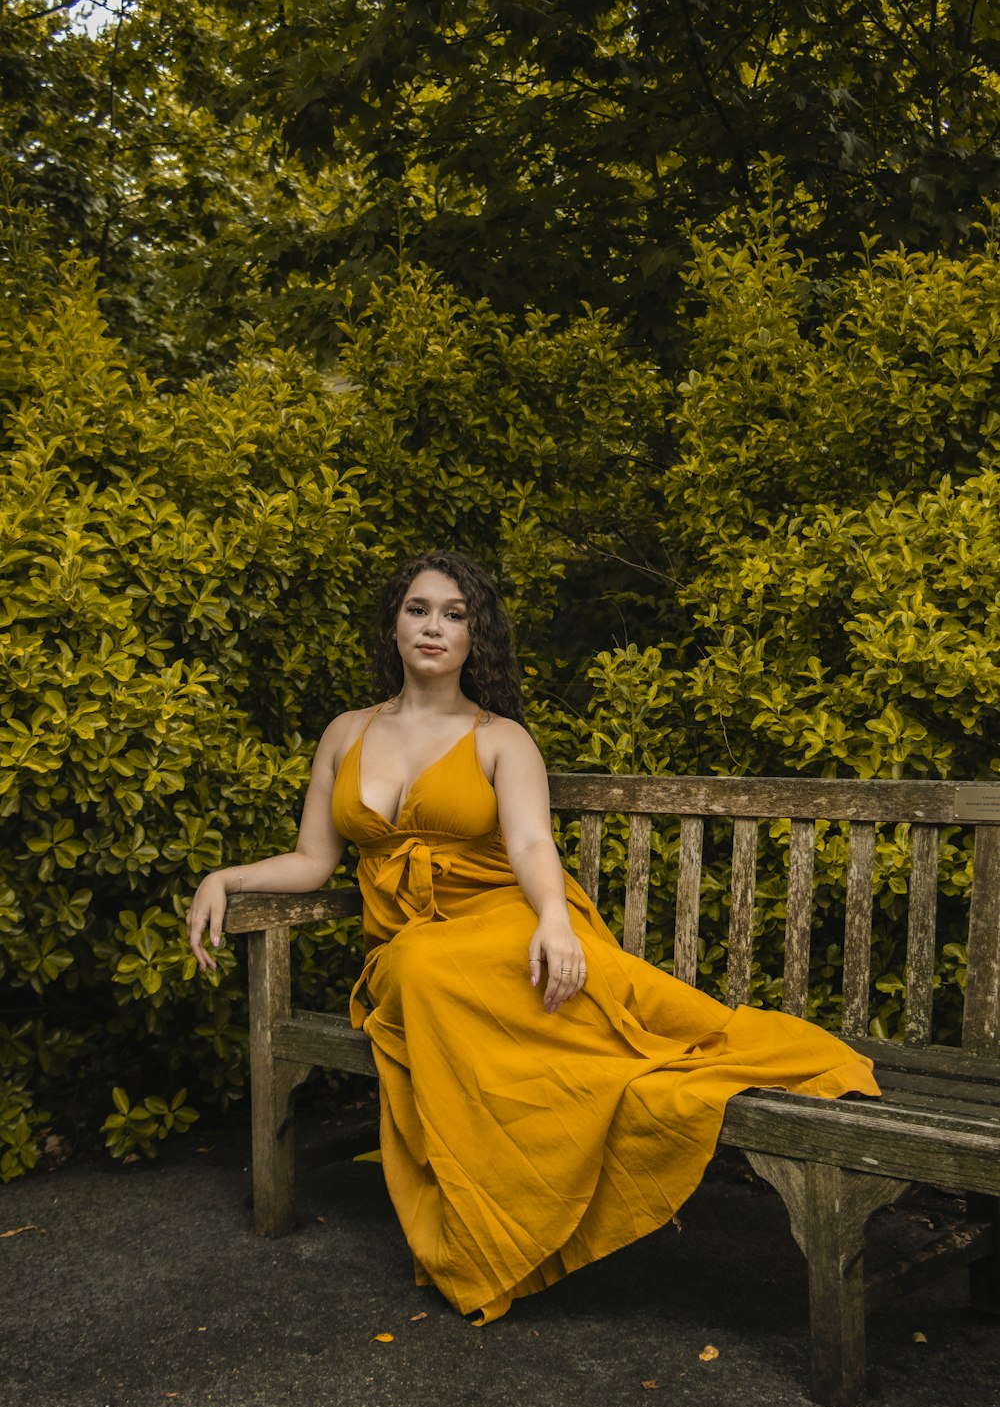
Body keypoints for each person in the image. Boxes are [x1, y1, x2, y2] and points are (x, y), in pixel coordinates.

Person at [187, 550, 880, 1324]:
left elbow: (528, 847)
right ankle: (499, 1216)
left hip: (505, 922)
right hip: (416, 950)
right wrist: (225, 878)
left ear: (475, 637)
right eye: (419, 609)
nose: (434, 627)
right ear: (394, 622)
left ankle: (620, 1093)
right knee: (413, 963)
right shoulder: (346, 733)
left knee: (649, 1027)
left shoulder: (499, 739)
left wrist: (554, 916)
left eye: (456, 614)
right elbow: (314, 861)